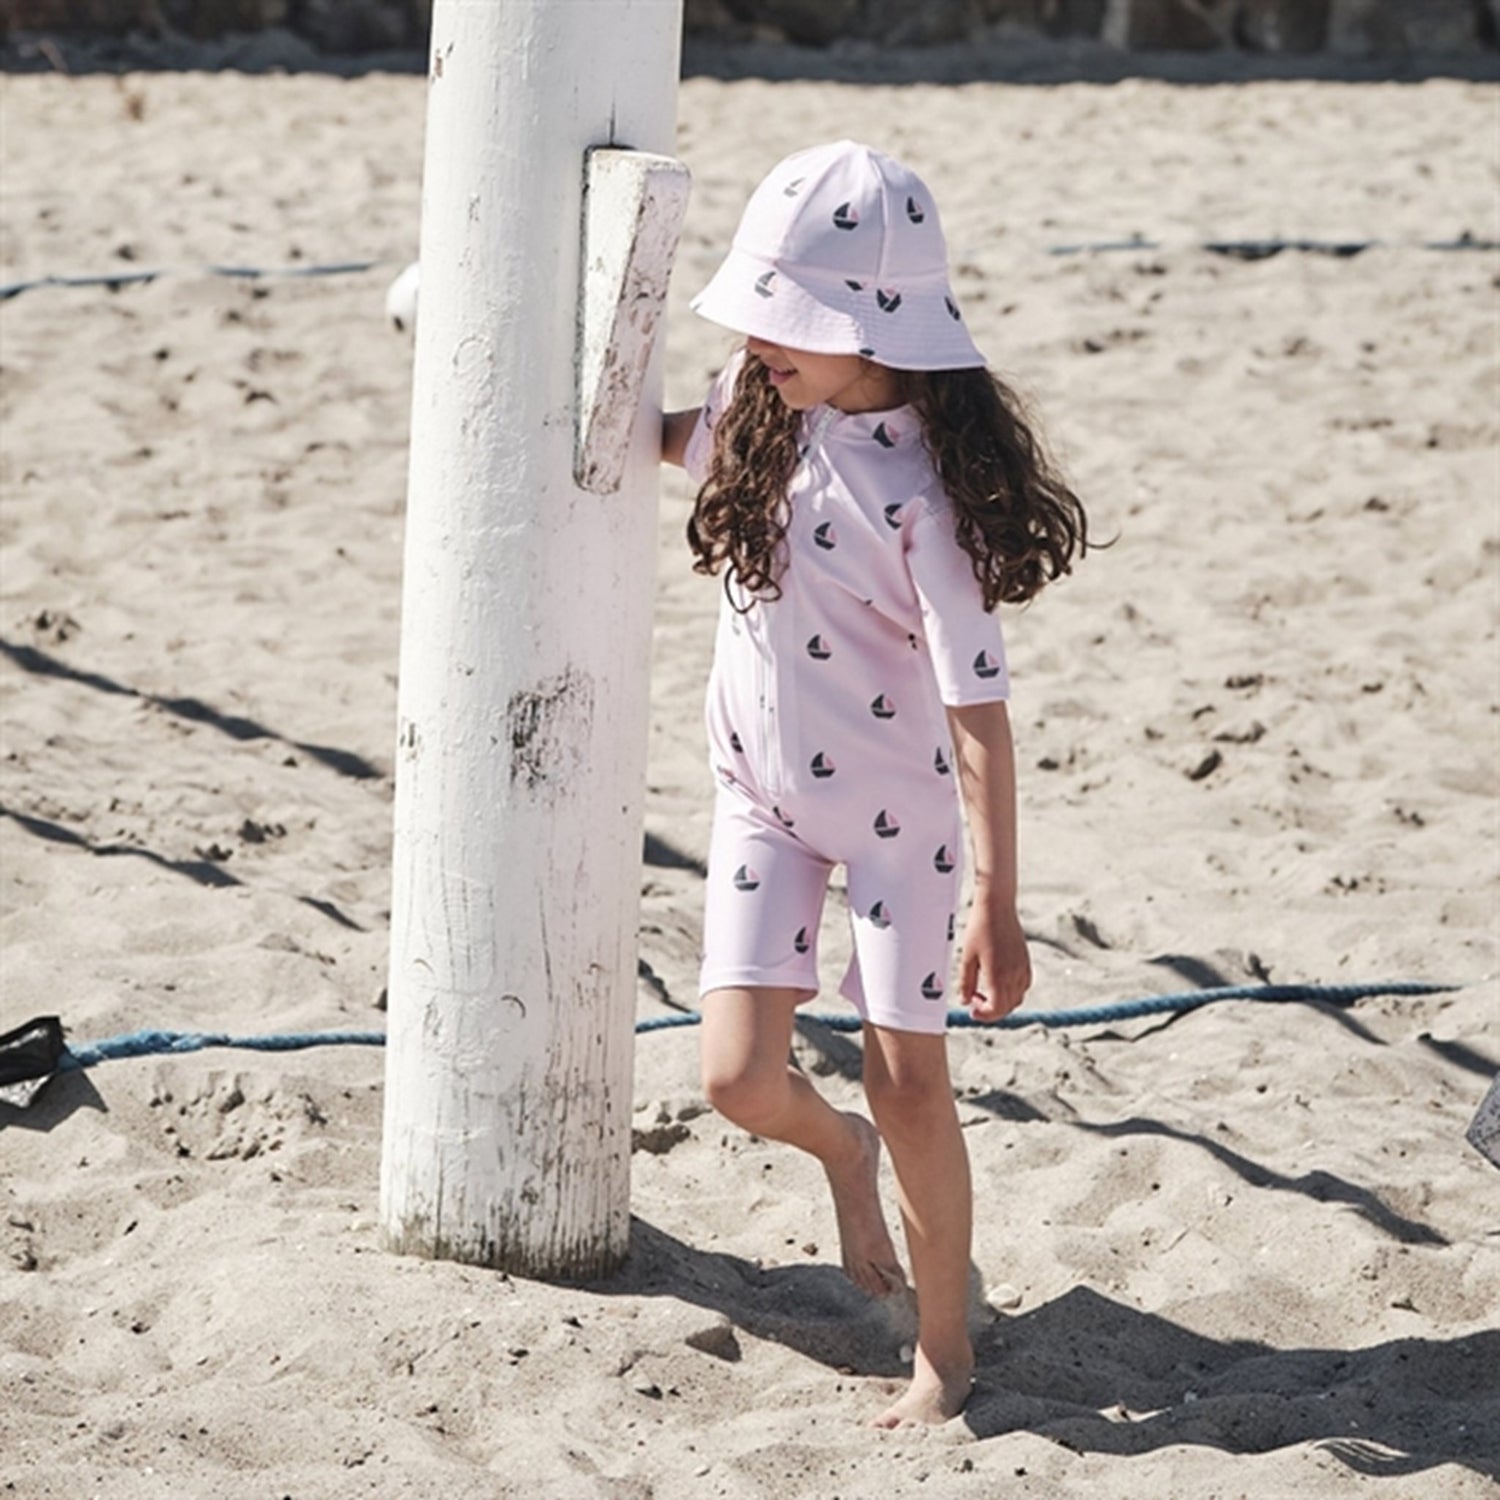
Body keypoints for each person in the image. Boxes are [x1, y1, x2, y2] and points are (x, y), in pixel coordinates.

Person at [660, 140, 1089, 1427]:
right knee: (736, 1081)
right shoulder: (758, 414)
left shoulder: (928, 501)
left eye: (785, 315)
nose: (754, 338)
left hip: (901, 829)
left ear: (874, 326)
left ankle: (944, 1349)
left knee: (910, 1088)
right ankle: (841, 1157)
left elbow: (979, 715)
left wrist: (996, 902)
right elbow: (653, 438)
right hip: (761, 802)